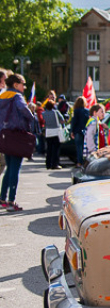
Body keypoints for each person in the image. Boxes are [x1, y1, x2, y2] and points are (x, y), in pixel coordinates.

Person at [0, 74, 37, 212]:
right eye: (23, 84)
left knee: (9, 168)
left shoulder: (2, 96)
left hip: (4, 135)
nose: (24, 87)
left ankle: (2, 198)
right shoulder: (17, 96)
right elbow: (23, 110)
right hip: (16, 135)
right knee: (15, 168)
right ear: (15, 85)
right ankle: (11, 201)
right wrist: (31, 115)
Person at [42, 99, 66, 170]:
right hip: (56, 132)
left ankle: (48, 164)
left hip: (48, 132)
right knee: (56, 149)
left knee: (49, 149)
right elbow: (62, 120)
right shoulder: (56, 112)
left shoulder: (44, 113)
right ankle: (55, 164)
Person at [70, 97, 89, 167]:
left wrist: (72, 131)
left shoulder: (76, 111)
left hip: (78, 131)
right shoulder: (87, 111)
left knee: (79, 147)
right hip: (85, 131)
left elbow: (74, 121)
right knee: (85, 148)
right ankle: (85, 162)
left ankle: (80, 162)